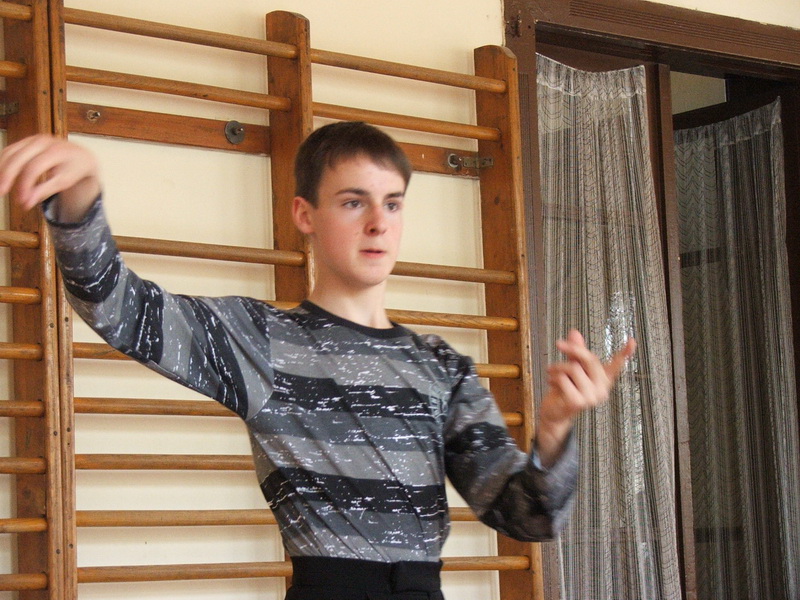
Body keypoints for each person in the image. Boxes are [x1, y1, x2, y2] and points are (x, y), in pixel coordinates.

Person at [0, 122, 635, 600]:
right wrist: (81, 198)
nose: (378, 223)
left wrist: (555, 430)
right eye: (354, 202)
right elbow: (120, 308)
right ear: (305, 214)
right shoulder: (261, 340)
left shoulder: (442, 367)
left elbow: (526, 515)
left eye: (392, 203)